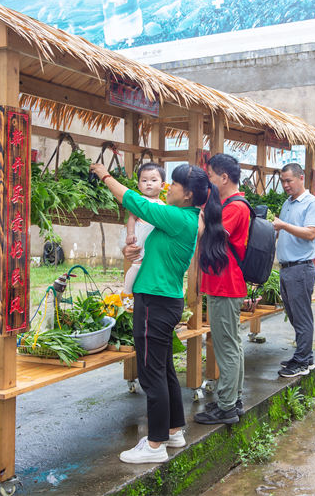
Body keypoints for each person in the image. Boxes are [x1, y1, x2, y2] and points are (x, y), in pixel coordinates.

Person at [90, 162, 228, 463]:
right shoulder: (183, 218)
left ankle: (154, 445)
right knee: (163, 370)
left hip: (155, 302)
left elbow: (133, 200)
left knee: (151, 374)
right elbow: (149, 244)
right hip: (162, 300)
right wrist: (133, 252)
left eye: (174, 185)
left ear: (188, 194)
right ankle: (173, 430)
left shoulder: (179, 217)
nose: (169, 188)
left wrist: (104, 174)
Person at [194, 154, 250, 425]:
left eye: (211, 177)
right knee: (232, 345)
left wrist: (199, 214)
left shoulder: (235, 207)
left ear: (224, 178)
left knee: (226, 346)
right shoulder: (227, 204)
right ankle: (233, 399)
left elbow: (209, 234)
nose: (210, 182)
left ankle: (227, 406)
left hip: (226, 285)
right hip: (225, 283)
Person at [272, 163, 315, 378]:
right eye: (283, 181)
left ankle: (302, 361)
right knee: (293, 315)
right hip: (287, 268)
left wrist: (283, 225)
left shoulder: (312, 204)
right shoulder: (287, 203)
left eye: (288, 181)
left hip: (301, 268)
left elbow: (311, 233)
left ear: (301, 178)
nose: (285, 185)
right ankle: (304, 356)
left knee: (302, 317)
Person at [120, 163, 166, 302]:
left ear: (162, 185)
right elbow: (132, 218)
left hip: (153, 238)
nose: (148, 184)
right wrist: (130, 234)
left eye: (153, 180)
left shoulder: (163, 205)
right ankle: (127, 292)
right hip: (140, 235)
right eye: (144, 181)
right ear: (139, 185)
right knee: (137, 264)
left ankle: (146, 292)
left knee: (150, 265)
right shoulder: (139, 201)